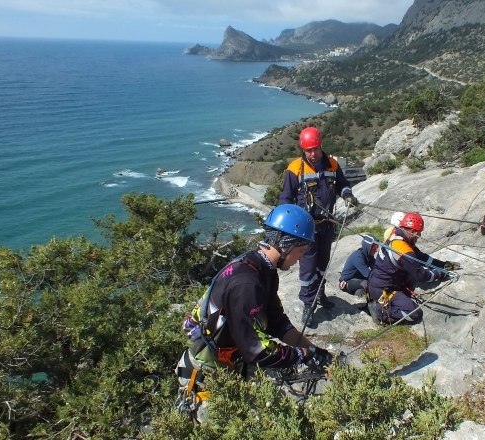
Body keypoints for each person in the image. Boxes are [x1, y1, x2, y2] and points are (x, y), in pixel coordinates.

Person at [177, 204, 334, 420]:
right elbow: (255, 349)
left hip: (228, 362)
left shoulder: (262, 269)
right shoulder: (247, 283)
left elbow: (277, 322)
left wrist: (312, 349)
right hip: (208, 373)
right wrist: (300, 356)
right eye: (301, 250)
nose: (301, 258)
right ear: (286, 244)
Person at [278, 126, 358, 328]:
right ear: (303, 150)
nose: (312, 154)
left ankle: (320, 294)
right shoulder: (295, 169)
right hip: (306, 229)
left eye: (315, 149)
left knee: (323, 263)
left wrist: (347, 195)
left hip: (327, 226)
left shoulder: (332, 165)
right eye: (308, 150)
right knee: (308, 268)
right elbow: (286, 198)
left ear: (320, 146)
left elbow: (342, 184)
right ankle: (307, 304)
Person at [366, 212, 460, 325]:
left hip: (382, 281)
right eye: (418, 233)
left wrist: (443, 264)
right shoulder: (401, 248)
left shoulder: (396, 234)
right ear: (411, 232)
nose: (419, 236)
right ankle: (380, 313)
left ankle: (389, 300)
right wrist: (440, 273)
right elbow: (422, 275)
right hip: (383, 289)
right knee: (414, 314)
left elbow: (421, 257)